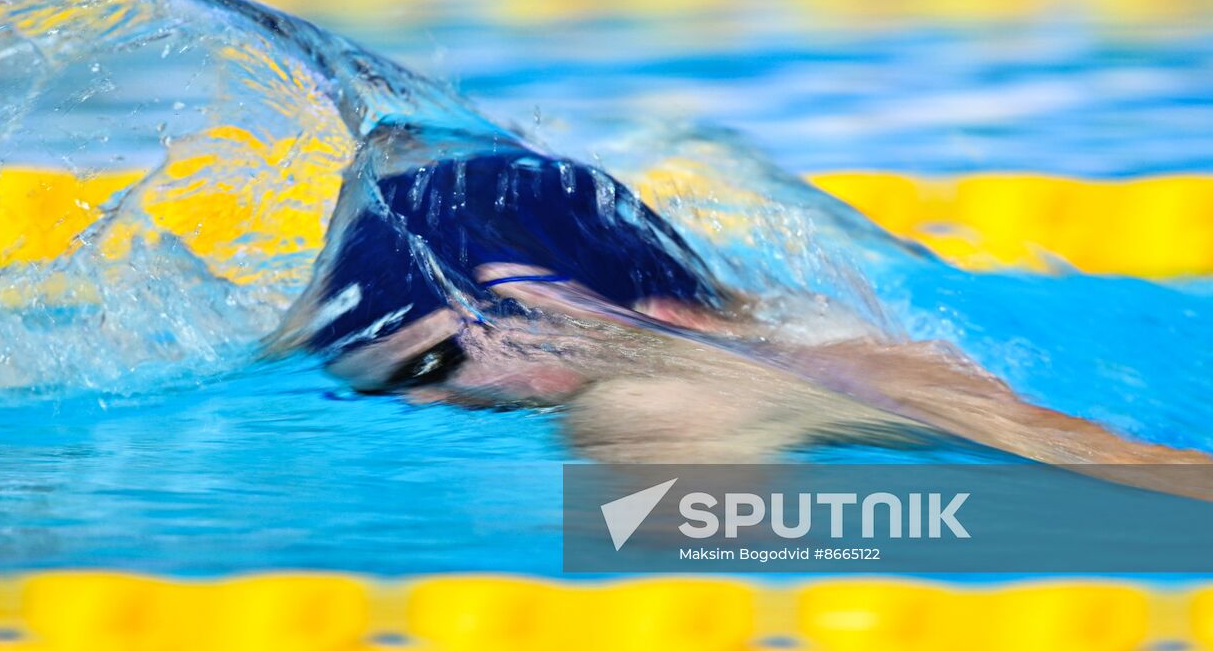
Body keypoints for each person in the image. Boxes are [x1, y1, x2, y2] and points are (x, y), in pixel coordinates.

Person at [268, 119, 1211, 474]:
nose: (425, 400)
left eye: (435, 363)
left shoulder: (664, 396)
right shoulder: (687, 359)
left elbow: (1134, 470)